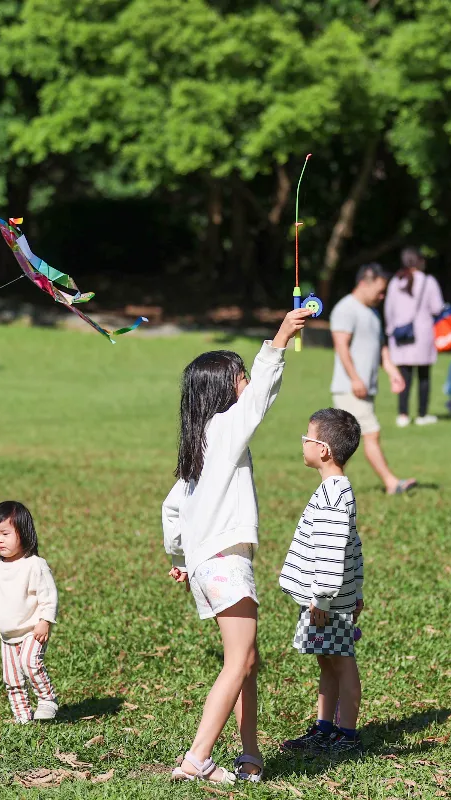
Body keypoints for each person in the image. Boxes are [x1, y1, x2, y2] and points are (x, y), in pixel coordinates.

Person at [162, 307, 312, 785]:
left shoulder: (197, 445)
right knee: (240, 660)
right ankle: (197, 758)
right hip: (225, 563)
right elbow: (259, 401)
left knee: (249, 658)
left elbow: (172, 511)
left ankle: (250, 756)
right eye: (241, 377)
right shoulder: (224, 431)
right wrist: (281, 338)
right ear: (223, 391)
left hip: (208, 565)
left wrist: (180, 559)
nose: (248, 384)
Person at [279, 408, 365, 756]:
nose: (303, 444)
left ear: (324, 449)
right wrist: (355, 590)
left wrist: (323, 600)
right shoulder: (338, 490)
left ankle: (348, 735)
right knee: (328, 660)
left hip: (327, 603)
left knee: (342, 663)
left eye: (307, 438)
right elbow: (353, 549)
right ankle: (324, 727)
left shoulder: (331, 496)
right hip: (330, 600)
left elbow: (330, 554)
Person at [329, 263, 417, 495]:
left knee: (346, 441)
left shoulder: (372, 313)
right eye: (380, 289)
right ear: (364, 282)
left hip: (364, 388)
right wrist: (355, 378)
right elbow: (341, 346)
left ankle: (330, 488)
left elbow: (381, 350)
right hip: (350, 387)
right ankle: (391, 483)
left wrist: (393, 372)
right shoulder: (346, 309)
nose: (382, 295)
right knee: (370, 432)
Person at [0, 501, 59, 723]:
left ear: (23, 533)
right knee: (12, 677)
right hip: (8, 636)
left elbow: (48, 596)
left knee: (30, 663)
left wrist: (45, 620)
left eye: (5, 533)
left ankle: (47, 699)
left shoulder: (34, 565)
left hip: (32, 629)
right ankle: (22, 716)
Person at [384, 246, 445, 427]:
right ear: (419, 261)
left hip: (400, 335)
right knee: (424, 377)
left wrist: (391, 330)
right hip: (422, 335)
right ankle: (422, 414)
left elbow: (389, 309)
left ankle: (402, 414)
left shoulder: (396, 281)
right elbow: (437, 308)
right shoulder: (428, 281)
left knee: (403, 376)